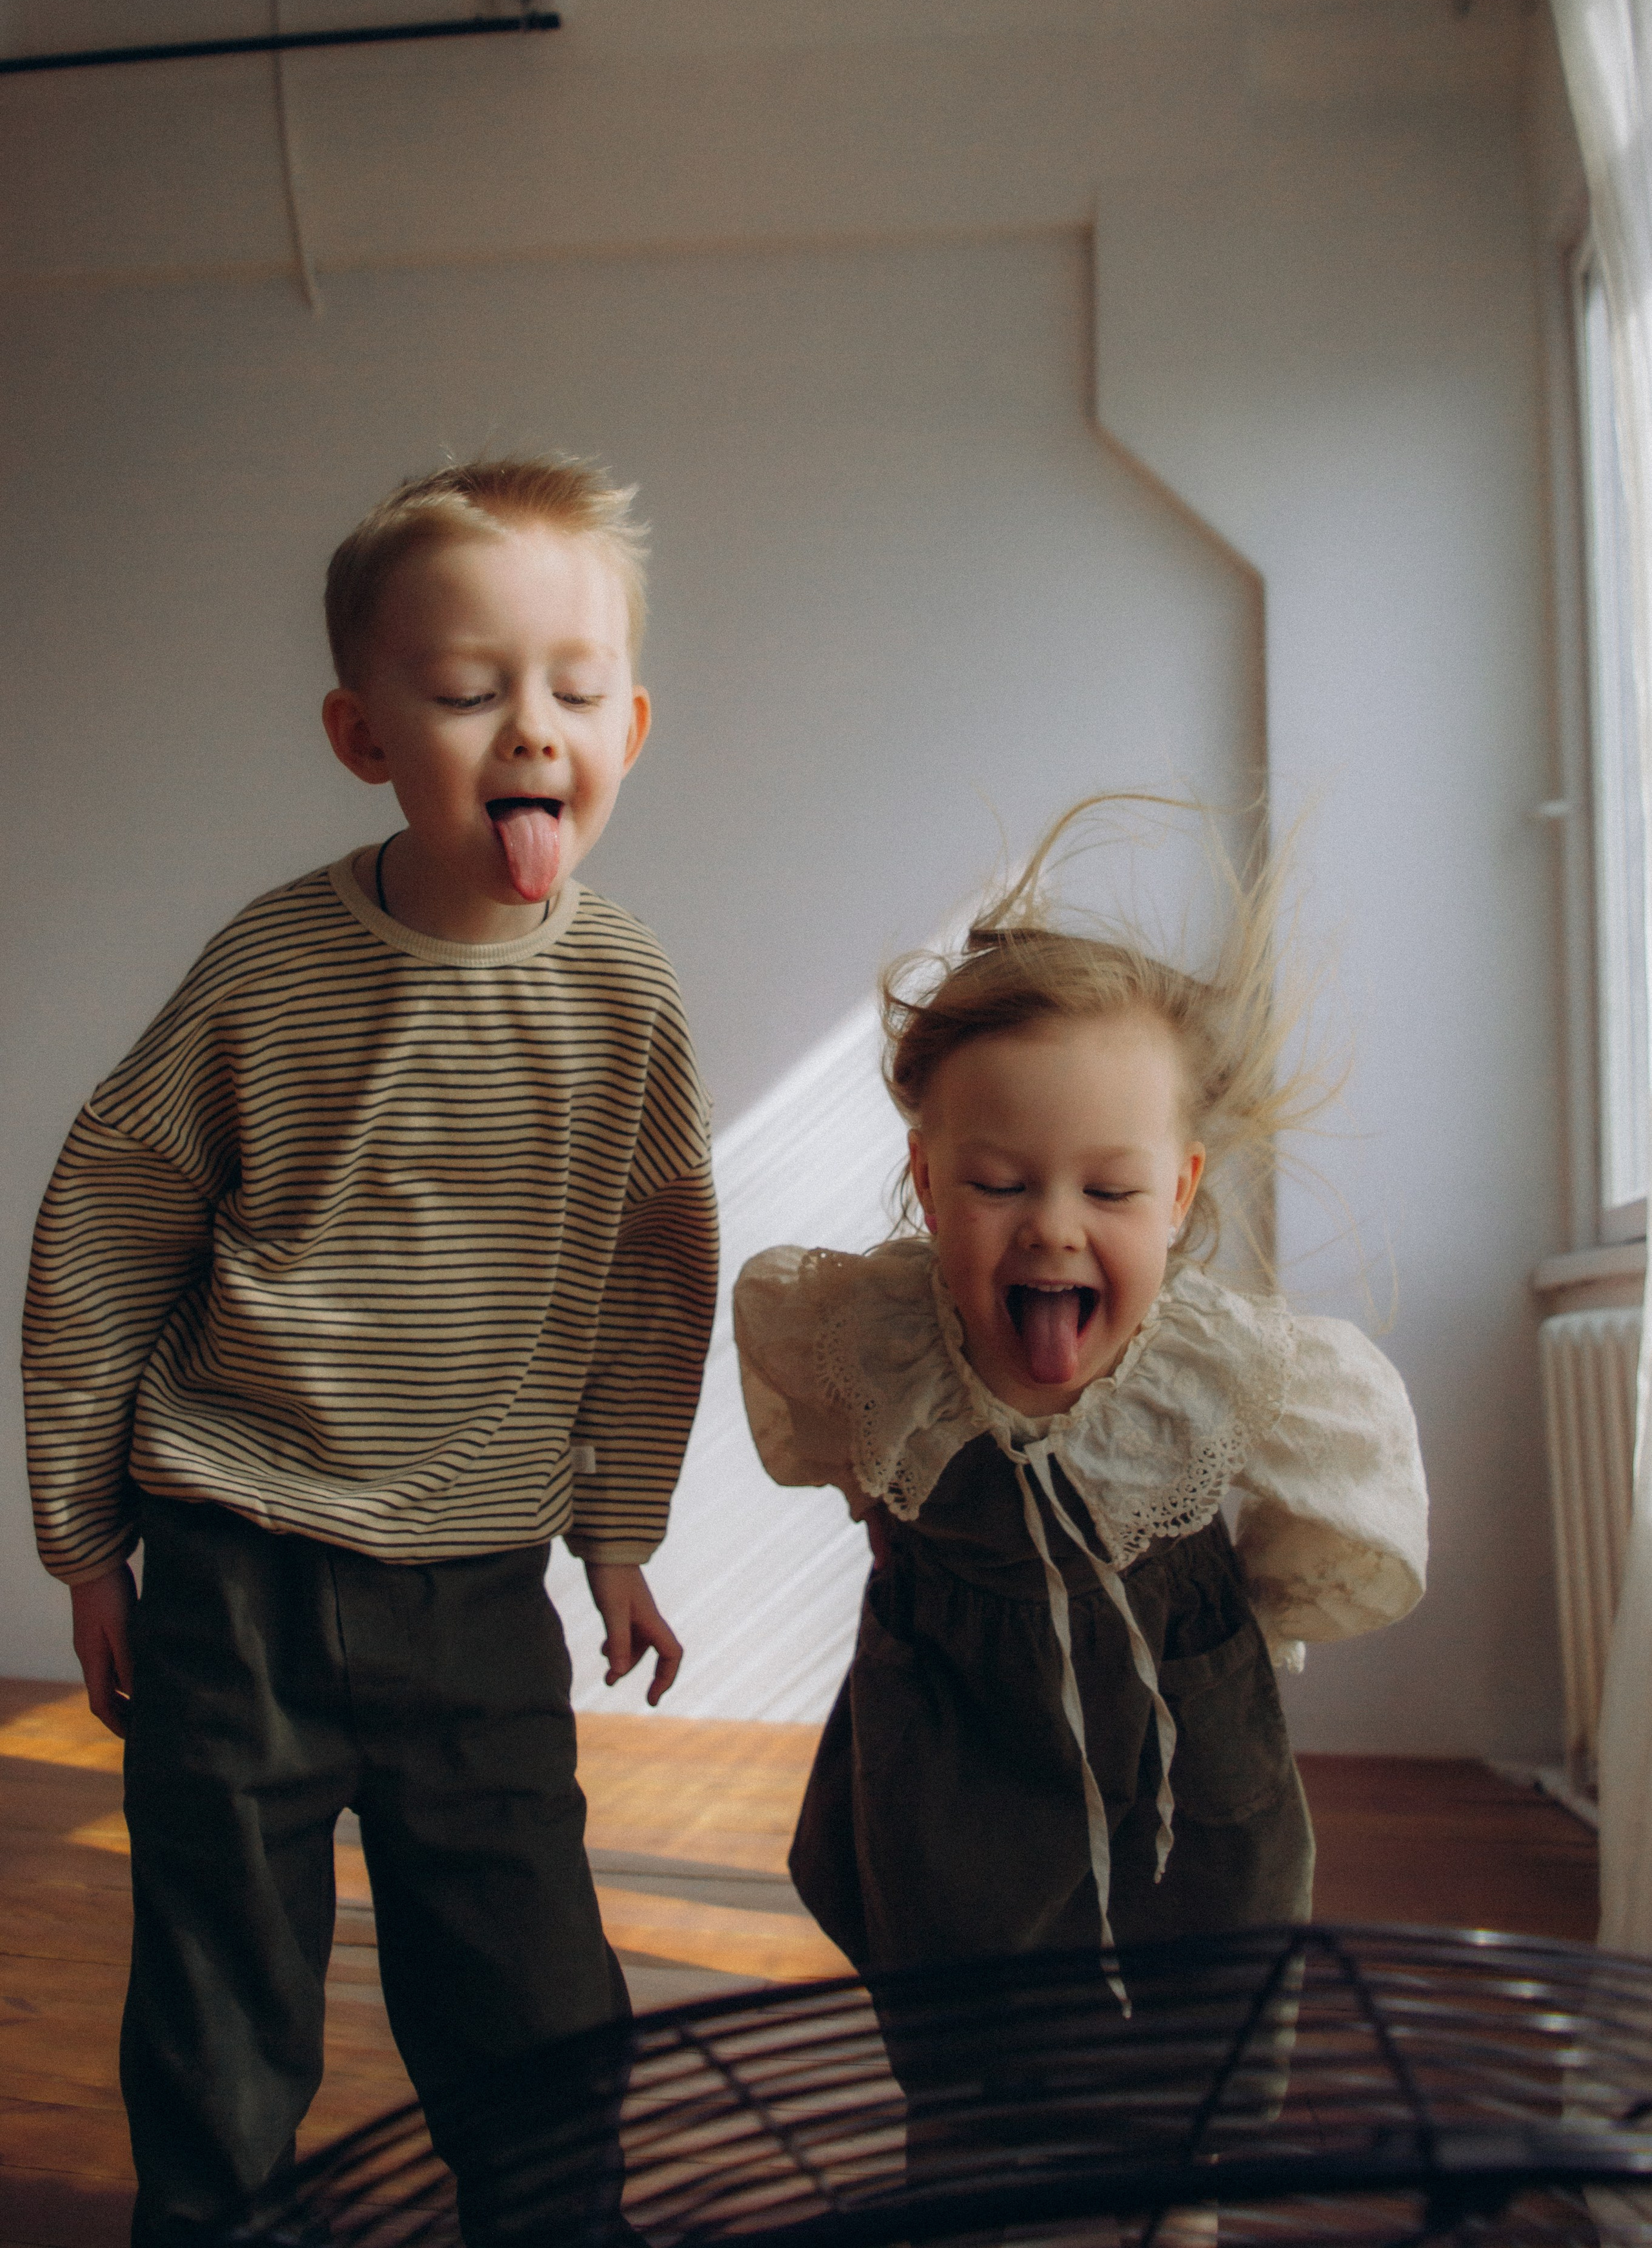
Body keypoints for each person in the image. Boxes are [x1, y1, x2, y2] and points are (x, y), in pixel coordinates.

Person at [23, 456, 718, 2248]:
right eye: (472, 690)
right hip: (236, 1565)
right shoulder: (270, 972)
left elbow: (659, 1275)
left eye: (574, 689)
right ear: (363, 732)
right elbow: (113, 1221)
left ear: (631, 719)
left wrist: (617, 1529)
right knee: (220, 1989)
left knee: (532, 1987)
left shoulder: (623, 992)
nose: (530, 730)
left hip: (476, 1585)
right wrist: (85, 1534)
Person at [735, 795, 1427, 1987]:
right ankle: (970, 2146)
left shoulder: (1231, 1367)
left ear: (1178, 1192)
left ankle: (1183, 2166)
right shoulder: (870, 1334)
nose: (1053, 1229)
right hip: (955, 1747)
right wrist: (889, 1525)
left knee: (1210, 1971)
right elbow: (841, 1440)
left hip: (1184, 1748)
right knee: (957, 1987)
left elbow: (1336, 1518)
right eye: (1001, 1181)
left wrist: (1247, 1612)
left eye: (1110, 1192)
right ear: (930, 1178)